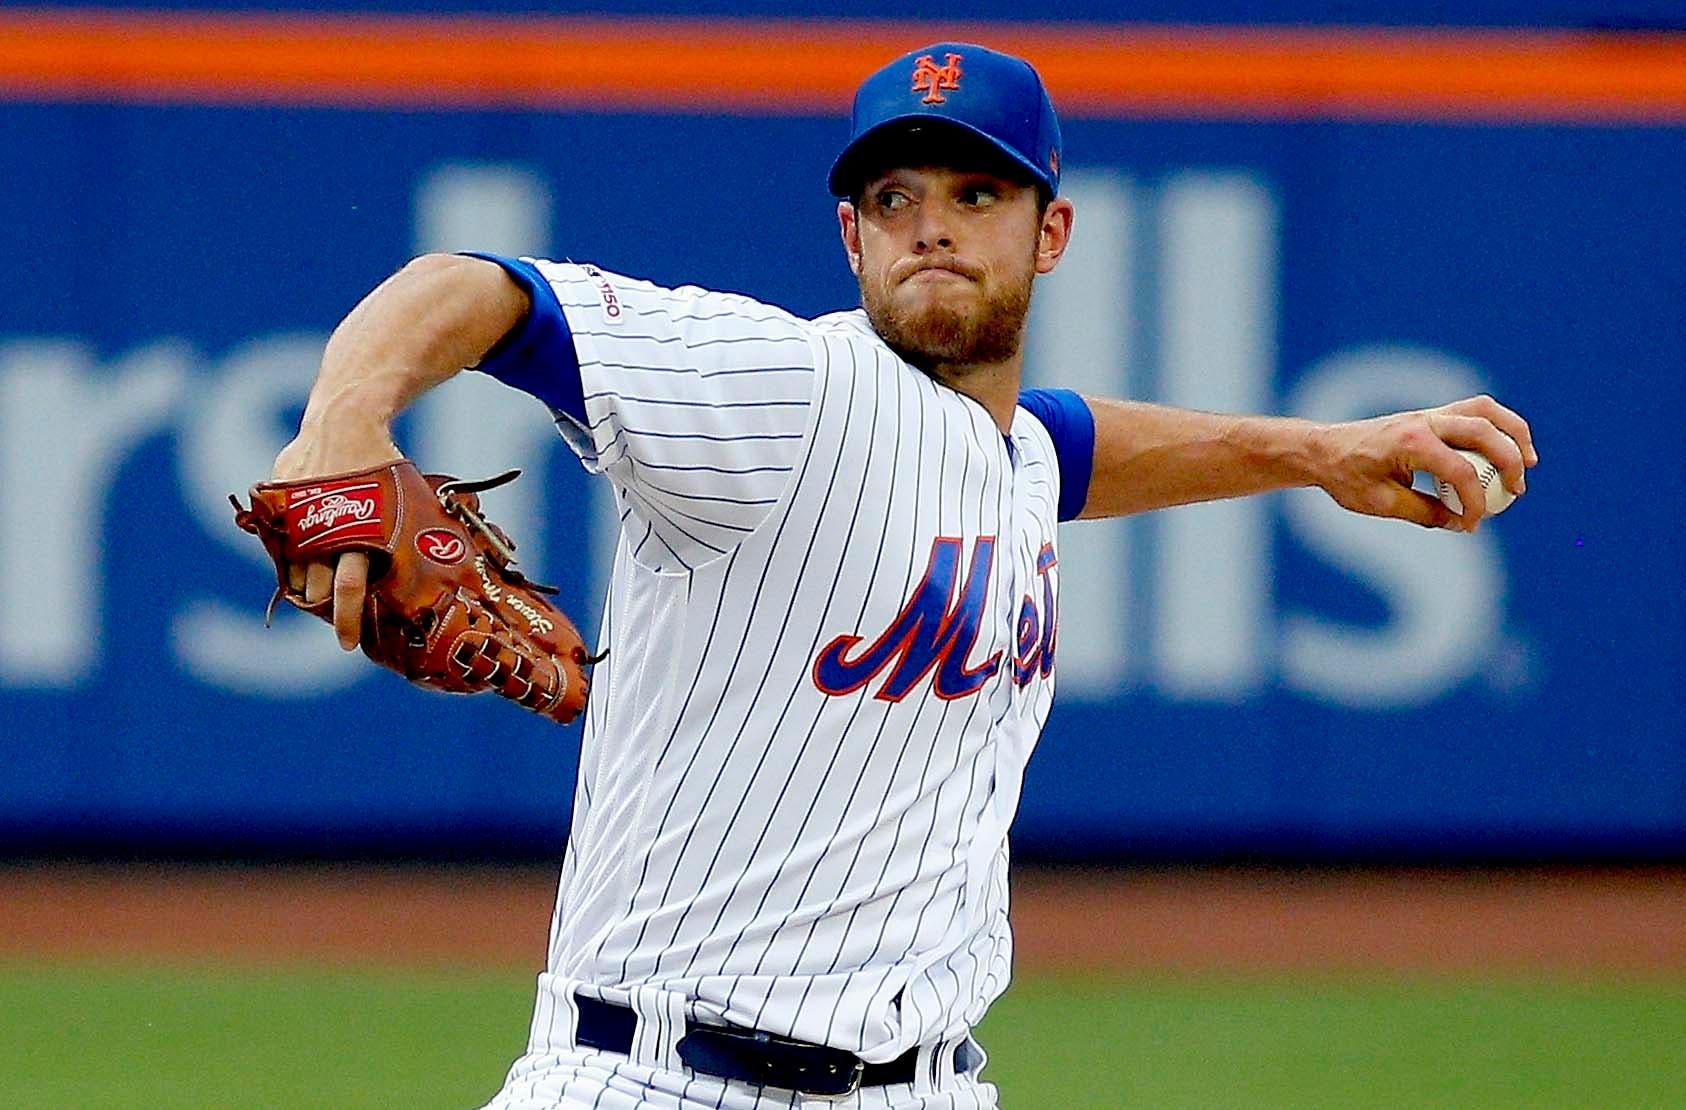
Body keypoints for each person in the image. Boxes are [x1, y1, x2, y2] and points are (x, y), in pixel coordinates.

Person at [269, 41, 1535, 1110]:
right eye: (895, 197)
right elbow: (475, 289)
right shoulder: (787, 386)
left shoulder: (1013, 451)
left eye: (976, 193)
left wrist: (1313, 450)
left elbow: (1069, 448)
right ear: (849, 234)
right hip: (658, 1080)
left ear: (1052, 233)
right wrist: (341, 428)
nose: (930, 222)